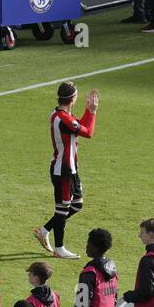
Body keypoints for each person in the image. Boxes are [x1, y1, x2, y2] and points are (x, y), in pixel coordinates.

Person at [33, 81, 99, 259]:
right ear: (73, 98)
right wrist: (92, 111)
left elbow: (81, 127)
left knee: (77, 205)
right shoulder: (63, 118)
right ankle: (59, 248)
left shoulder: (61, 114)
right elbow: (88, 132)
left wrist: (87, 111)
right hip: (63, 170)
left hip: (71, 168)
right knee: (62, 209)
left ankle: (44, 230)